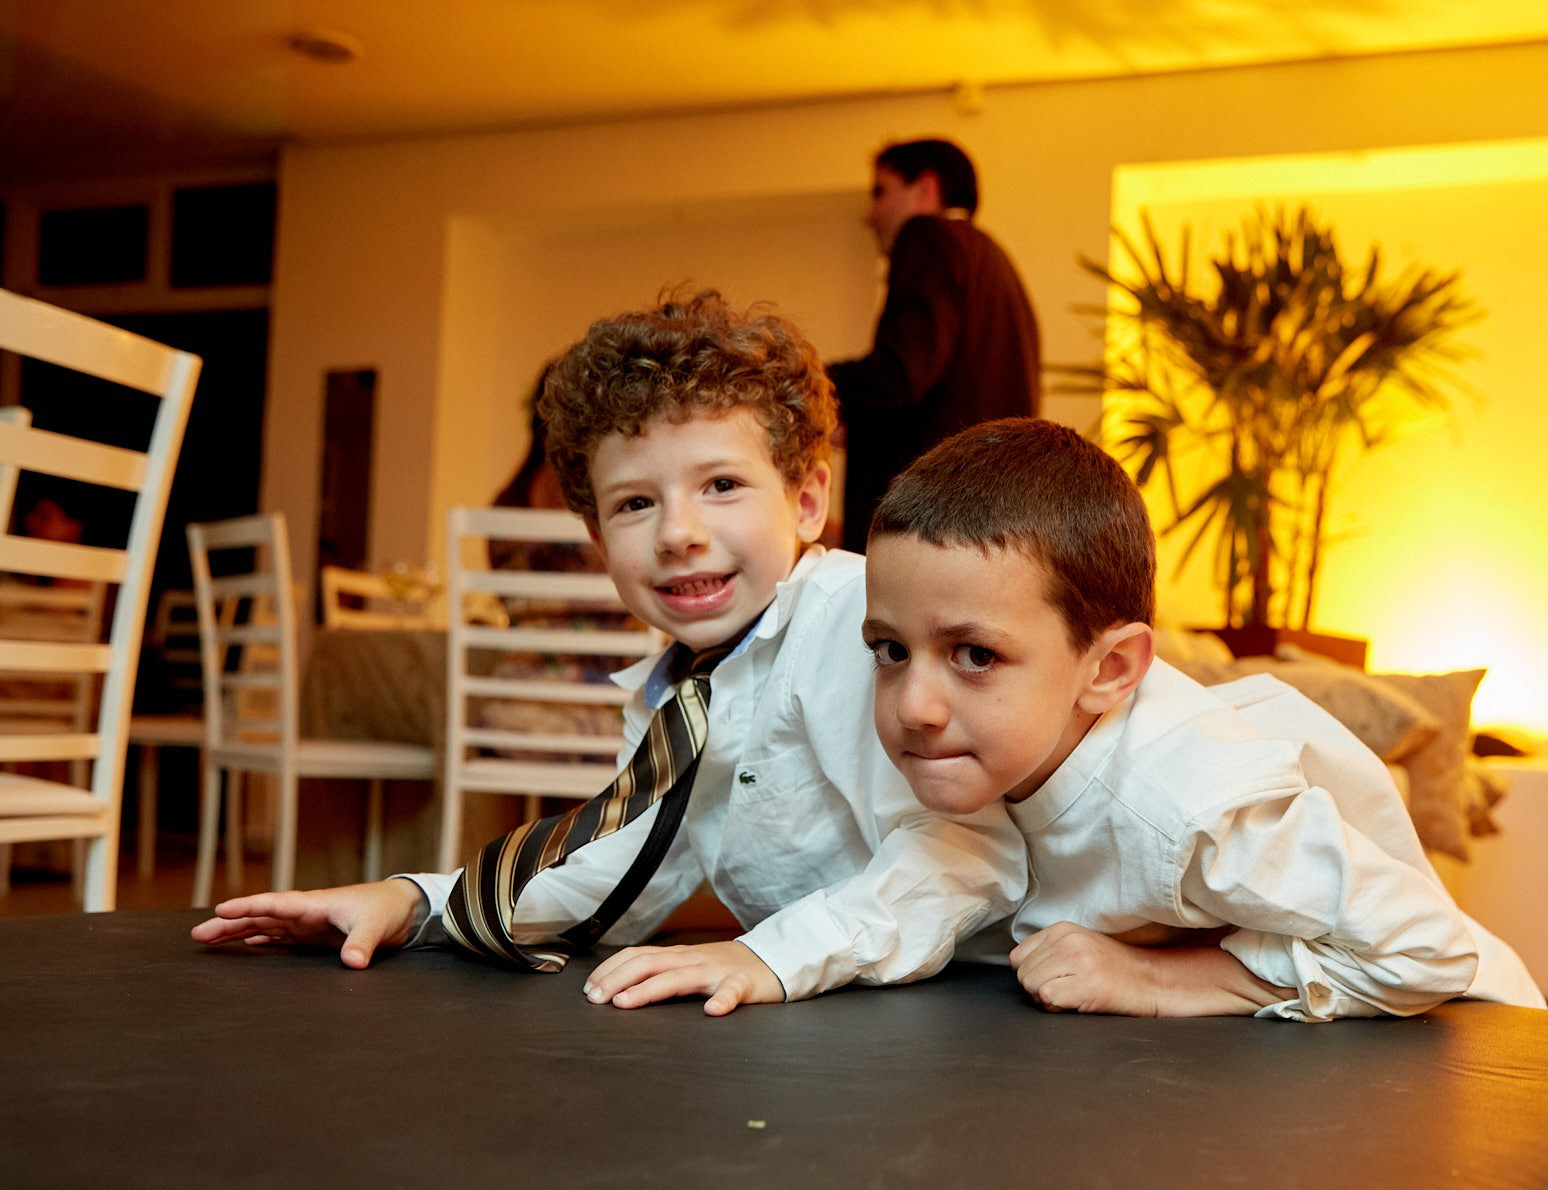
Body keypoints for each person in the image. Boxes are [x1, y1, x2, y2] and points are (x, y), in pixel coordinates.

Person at [191, 290, 1026, 1011]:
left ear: (807, 499)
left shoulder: (857, 629)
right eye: (634, 503)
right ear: (596, 537)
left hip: (1012, 1002)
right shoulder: (679, 694)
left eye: (722, 485)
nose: (679, 534)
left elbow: (962, 855)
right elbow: (618, 868)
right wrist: (414, 902)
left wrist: (766, 955)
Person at [599, 418, 1544, 1020]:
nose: (915, 708)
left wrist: (1168, 981)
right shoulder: (991, 754)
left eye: (976, 655)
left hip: (1471, 1047)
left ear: (1113, 668)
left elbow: (1426, 946)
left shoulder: (1185, 802)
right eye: (889, 649)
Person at [828, 138, 1041, 552]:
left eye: (880, 193)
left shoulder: (928, 236)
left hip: (926, 521)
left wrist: (815, 384)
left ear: (926, 188)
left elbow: (902, 371)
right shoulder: (995, 261)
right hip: (983, 521)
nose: (870, 216)